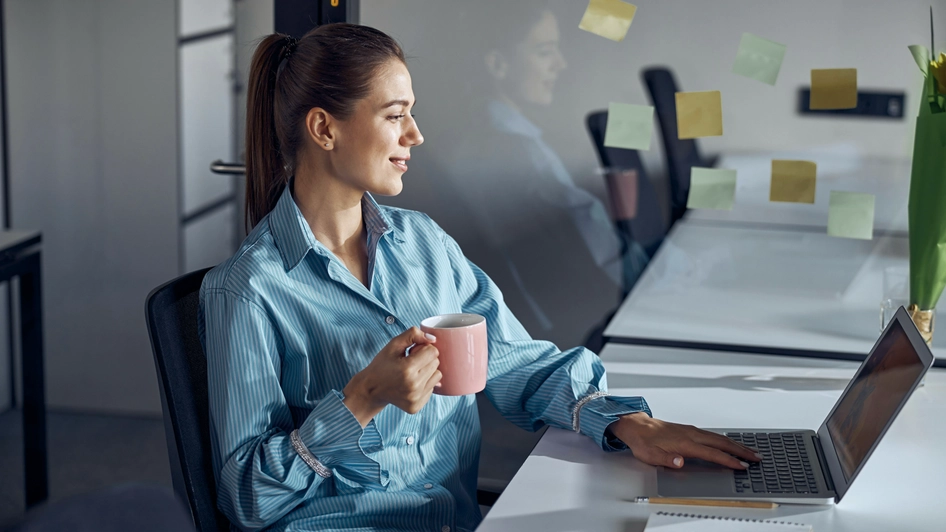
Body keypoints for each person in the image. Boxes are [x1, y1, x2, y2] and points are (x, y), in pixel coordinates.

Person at [198, 23, 759, 532]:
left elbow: (519, 362)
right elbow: (247, 497)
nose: (415, 135)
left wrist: (628, 424)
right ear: (323, 128)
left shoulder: (424, 244)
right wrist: (362, 399)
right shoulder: (248, 290)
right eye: (395, 116)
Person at [435, 3, 651, 350]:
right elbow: (594, 239)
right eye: (544, 51)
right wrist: (673, 274)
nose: (560, 64)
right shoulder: (513, 153)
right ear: (498, 65)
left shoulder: (482, 139)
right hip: (559, 326)